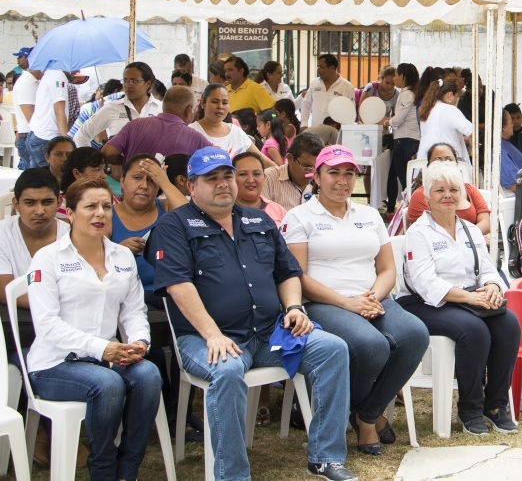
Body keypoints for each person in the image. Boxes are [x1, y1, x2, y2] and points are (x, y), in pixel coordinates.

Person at [150, 147, 356, 480]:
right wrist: (211, 334)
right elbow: (178, 286)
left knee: (332, 349)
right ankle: (232, 475)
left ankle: (326, 457)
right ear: (191, 186)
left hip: (270, 333)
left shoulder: (258, 219)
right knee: (228, 371)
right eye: (211, 178)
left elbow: (287, 272)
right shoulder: (174, 226)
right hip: (210, 338)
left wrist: (294, 307)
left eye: (227, 176)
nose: (223, 184)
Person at [283, 145, 429, 454]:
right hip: (324, 301)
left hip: (371, 297)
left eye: (349, 173)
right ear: (317, 177)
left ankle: (366, 414)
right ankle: (366, 416)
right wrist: (348, 303)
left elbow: (387, 268)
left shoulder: (369, 214)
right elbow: (298, 277)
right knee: (371, 345)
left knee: (415, 334)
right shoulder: (300, 216)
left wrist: (373, 296)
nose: (342, 180)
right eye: (333, 172)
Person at [26, 177, 161, 481]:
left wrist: (139, 341)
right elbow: (47, 325)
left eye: (105, 206)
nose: (100, 213)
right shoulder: (48, 259)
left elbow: (134, 311)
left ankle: (127, 471)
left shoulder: (122, 256)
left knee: (149, 374)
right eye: (90, 206)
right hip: (55, 362)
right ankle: (102, 469)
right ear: (70, 213)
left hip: (107, 357)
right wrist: (103, 348)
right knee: (108, 383)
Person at [397, 161, 519, 435]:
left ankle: (495, 405)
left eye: (453, 189)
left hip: (467, 300)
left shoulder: (471, 230)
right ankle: (470, 409)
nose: (447, 195)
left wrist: (491, 288)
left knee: (509, 324)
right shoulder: (418, 232)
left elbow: (488, 269)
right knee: (473, 330)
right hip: (423, 303)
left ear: (462, 194)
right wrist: (470, 299)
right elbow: (426, 284)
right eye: (439, 190)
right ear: (427, 196)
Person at [0, 169, 69, 358]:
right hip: (17, 328)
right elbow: (4, 289)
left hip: (66, 330)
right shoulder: (2, 234)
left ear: (59, 201)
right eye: (30, 203)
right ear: (16, 204)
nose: (39, 211)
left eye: (47, 202)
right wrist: (50, 307)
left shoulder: (73, 236)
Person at [112, 154, 188, 297]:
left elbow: (190, 219)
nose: (144, 186)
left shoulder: (166, 208)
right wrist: (118, 251)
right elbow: (92, 262)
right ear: (122, 181)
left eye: (152, 180)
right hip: (124, 298)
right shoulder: (107, 216)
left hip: (171, 295)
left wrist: (165, 182)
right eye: (137, 177)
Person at [102, 86, 211, 166]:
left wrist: (128, 162)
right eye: (195, 109)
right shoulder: (194, 138)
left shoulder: (135, 125)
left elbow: (107, 152)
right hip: (172, 195)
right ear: (189, 110)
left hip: (133, 193)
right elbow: (219, 161)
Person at [405, 143, 491, 235]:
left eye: (449, 160)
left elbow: (486, 222)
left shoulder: (469, 189)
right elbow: (422, 232)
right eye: (437, 160)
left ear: (457, 164)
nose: (444, 164)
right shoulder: (421, 195)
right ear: (428, 165)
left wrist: (470, 238)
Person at [75, 63, 162, 148]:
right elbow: (81, 135)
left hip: (152, 162)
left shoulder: (161, 109)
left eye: (134, 81)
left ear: (148, 84)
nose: (128, 85)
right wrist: (89, 161)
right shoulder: (111, 107)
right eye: (125, 80)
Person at [384, 63, 420, 212]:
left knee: (404, 179)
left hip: (405, 140)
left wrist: (387, 122)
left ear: (403, 77)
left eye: (397, 75)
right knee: (393, 174)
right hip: (404, 139)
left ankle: (411, 208)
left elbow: (399, 119)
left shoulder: (406, 94)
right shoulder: (409, 93)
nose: (394, 78)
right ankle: (391, 208)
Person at [189, 84, 261, 157]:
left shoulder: (236, 132)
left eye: (225, 103)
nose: (220, 106)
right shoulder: (190, 132)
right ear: (203, 103)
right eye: (215, 102)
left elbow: (265, 162)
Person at [261, 132, 325, 210]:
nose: (312, 173)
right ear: (290, 158)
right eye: (307, 166)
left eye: (317, 167)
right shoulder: (268, 178)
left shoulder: (322, 182)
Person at [416, 80, 473, 165]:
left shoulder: (427, 110)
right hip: (447, 164)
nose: (457, 101)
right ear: (450, 95)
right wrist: (471, 144)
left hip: (424, 163)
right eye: (457, 97)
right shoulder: (450, 110)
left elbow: (439, 133)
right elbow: (471, 131)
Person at [25, 69, 72, 168]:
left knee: (37, 180)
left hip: (38, 135)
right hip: (47, 138)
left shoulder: (49, 74)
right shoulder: (58, 76)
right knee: (52, 179)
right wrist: (66, 141)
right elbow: (59, 110)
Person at [233, 152, 288, 226]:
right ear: (232, 178)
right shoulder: (224, 212)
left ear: (264, 177)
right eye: (243, 174)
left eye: (256, 174)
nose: (251, 180)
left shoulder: (278, 211)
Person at [301, 54, 355, 128]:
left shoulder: (347, 86)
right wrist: (304, 124)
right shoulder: (315, 83)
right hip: (315, 132)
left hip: (335, 134)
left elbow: (350, 113)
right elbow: (306, 104)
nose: (318, 70)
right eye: (318, 67)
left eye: (322, 67)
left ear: (332, 68)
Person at [12, 67, 40, 170]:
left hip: (28, 135)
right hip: (29, 135)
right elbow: (30, 116)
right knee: (33, 179)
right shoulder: (26, 83)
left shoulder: (32, 82)